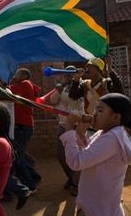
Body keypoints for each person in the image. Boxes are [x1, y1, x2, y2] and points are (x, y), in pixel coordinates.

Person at [61, 93, 131, 216]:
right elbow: (89, 156)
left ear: (115, 117)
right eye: (95, 109)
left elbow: (76, 162)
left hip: (99, 211)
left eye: (100, 110)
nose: (94, 114)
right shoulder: (104, 133)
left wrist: (69, 127)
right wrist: (80, 134)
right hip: (95, 207)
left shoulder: (113, 138)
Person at [48, 65, 84, 195]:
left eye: (70, 74)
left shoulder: (80, 86)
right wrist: (59, 89)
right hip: (63, 124)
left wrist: (72, 81)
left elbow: (72, 98)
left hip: (75, 125)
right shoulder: (61, 88)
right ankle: (71, 177)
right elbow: (52, 101)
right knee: (61, 155)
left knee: (75, 154)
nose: (67, 77)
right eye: (65, 74)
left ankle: (77, 183)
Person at [8, 68, 42, 192]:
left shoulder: (25, 84)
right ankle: (35, 177)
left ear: (23, 75)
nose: (14, 75)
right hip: (22, 125)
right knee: (19, 155)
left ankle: (31, 186)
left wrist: (11, 81)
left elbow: (7, 91)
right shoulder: (23, 85)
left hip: (23, 126)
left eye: (16, 73)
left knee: (16, 157)